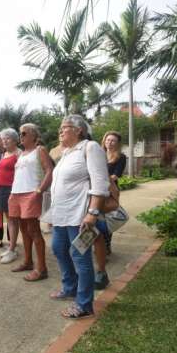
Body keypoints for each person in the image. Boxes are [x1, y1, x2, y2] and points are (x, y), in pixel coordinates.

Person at [49, 114, 109, 319]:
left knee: (80, 257)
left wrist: (92, 213)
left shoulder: (90, 148)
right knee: (58, 248)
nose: (60, 131)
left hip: (80, 216)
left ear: (79, 130)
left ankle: (84, 304)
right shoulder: (66, 153)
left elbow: (101, 184)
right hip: (61, 215)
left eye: (64, 127)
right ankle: (70, 287)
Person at [7, 124, 53, 281]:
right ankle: (28, 261)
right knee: (24, 230)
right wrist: (12, 193)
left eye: (24, 133)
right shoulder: (21, 154)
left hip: (30, 194)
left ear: (34, 136)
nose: (21, 136)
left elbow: (49, 171)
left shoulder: (40, 150)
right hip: (16, 194)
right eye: (20, 133)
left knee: (33, 230)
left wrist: (39, 191)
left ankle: (42, 269)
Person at [93, 131, 126, 290]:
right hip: (95, 190)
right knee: (95, 218)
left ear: (117, 143)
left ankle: (105, 247)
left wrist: (101, 178)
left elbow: (116, 175)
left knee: (107, 219)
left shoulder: (120, 157)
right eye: (108, 139)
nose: (110, 142)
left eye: (113, 141)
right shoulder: (98, 154)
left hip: (109, 191)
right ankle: (101, 246)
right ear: (104, 140)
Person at [0, 128, 21, 264]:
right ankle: (11, 247)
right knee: (9, 220)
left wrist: (14, 191)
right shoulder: (4, 153)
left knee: (13, 220)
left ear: (15, 140)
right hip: (1, 189)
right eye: (3, 138)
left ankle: (12, 249)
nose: (4, 141)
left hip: (11, 189)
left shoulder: (19, 153)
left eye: (7, 138)